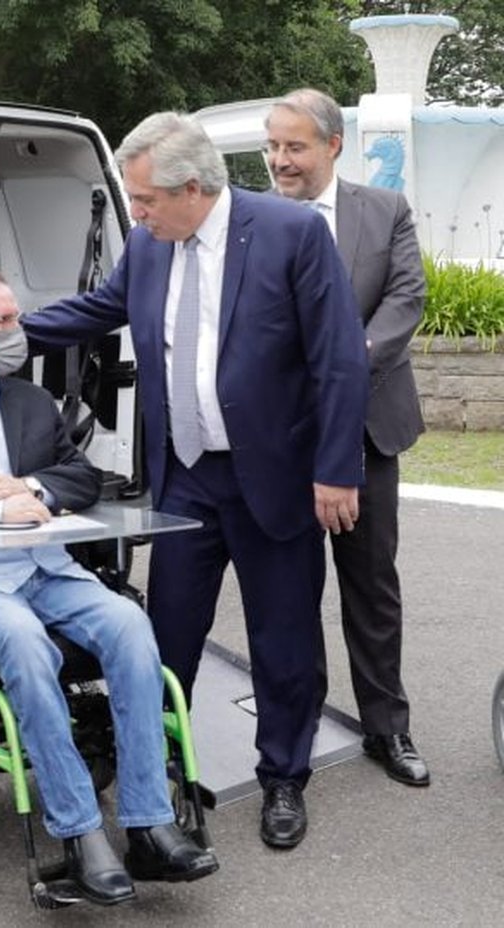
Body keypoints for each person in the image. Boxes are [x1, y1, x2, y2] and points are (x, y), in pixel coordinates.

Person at [21, 112, 369, 850]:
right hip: (185, 475)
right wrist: (3, 335)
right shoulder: (150, 246)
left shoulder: (289, 234)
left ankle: (283, 777)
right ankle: (158, 764)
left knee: (284, 637)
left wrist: (336, 470)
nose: (135, 215)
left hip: (275, 475)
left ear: (190, 188)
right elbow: (99, 309)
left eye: (144, 200)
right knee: (167, 629)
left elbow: (339, 360)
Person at [0, 266, 219, 904]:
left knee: (131, 627)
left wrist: (34, 488)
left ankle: (148, 824)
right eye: (5, 322)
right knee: (27, 645)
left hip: (47, 569)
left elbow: (82, 477)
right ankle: (80, 835)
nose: (18, 333)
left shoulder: (29, 400)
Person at [266, 88, 430, 787]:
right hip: (284, 437)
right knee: (290, 595)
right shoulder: (251, 217)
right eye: (273, 147)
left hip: (367, 429)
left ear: (333, 145)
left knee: (371, 587)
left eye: (295, 147)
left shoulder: (383, 210)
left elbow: (407, 297)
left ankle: (387, 730)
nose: (280, 161)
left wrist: (347, 359)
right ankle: (298, 732)